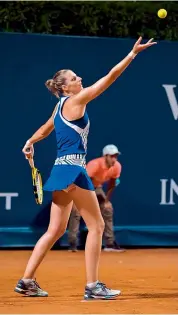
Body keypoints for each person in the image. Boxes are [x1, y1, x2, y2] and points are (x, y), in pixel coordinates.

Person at [14, 37, 156, 299]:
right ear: (66, 88)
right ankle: (93, 287)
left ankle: (26, 280)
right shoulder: (77, 101)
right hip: (74, 171)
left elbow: (46, 128)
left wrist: (30, 141)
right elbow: (110, 77)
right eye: (75, 78)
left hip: (59, 170)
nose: (80, 79)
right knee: (97, 226)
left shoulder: (59, 107)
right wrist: (132, 54)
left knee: (54, 230)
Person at [68, 144, 125, 252]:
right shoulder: (94, 164)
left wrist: (107, 201)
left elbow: (112, 184)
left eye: (116, 156)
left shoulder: (117, 166)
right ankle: (72, 243)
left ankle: (109, 244)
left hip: (96, 187)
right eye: (112, 156)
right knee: (76, 211)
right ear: (105, 156)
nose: (114, 159)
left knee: (107, 208)